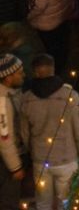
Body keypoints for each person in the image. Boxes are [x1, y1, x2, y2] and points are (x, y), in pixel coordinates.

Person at [18, 51, 79, 209]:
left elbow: (24, 133)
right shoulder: (70, 95)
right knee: (66, 203)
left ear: (35, 72)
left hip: (40, 159)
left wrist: (32, 151)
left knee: (43, 203)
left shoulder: (26, 99)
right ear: (53, 68)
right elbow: (78, 129)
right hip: (66, 158)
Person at [0, 54, 22, 204]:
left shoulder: (9, 94)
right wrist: (15, 167)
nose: (23, 75)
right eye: (19, 73)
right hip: (5, 163)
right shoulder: (2, 101)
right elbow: (4, 137)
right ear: (8, 78)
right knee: (8, 201)